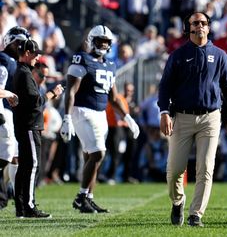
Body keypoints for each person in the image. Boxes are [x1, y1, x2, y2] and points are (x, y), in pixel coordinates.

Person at [158, 12, 227, 227]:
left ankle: (196, 214)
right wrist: (164, 112)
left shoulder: (220, 55)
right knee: (175, 170)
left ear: (209, 28)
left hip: (211, 117)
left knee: (205, 167)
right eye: (196, 23)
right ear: (189, 28)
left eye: (204, 23)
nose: (200, 26)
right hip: (182, 117)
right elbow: (165, 86)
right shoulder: (178, 55)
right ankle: (178, 201)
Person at [60, 25, 140, 214]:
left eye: (106, 42)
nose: (103, 45)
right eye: (100, 41)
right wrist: (66, 117)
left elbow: (113, 97)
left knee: (91, 156)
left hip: (100, 113)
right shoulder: (82, 59)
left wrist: (127, 117)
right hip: (82, 111)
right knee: (98, 153)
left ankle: (88, 198)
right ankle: (81, 196)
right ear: (91, 41)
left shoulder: (110, 65)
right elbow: (71, 91)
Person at [13, 39, 64, 218]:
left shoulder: (23, 71)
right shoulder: (25, 73)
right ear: (27, 53)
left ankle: (21, 205)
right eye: (35, 54)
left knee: (25, 165)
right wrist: (53, 93)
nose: (38, 57)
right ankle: (28, 206)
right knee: (32, 165)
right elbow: (36, 102)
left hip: (25, 125)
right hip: (29, 125)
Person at [0, 26, 31, 210]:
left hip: (13, 113)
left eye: (23, 43)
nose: (20, 46)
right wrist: (11, 95)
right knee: (7, 154)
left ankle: (15, 193)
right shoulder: (4, 60)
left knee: (15, 155)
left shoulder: (16, 61)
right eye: (17, 42)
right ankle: (10, 195)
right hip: (4, 111)